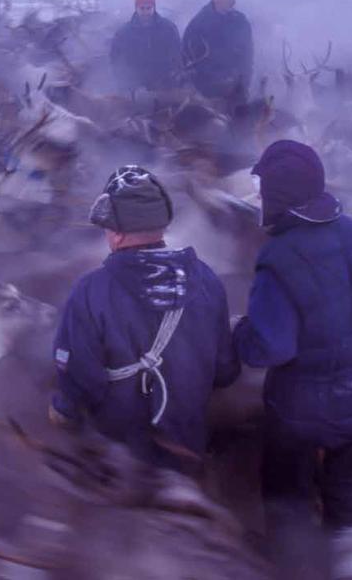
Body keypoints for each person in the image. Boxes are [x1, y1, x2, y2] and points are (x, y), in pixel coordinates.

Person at [234, 140, 352, 530]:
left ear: (278, 197)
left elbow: (270, 348)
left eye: (264, 192)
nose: (259, 199)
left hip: (304, 410)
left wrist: (240, 330)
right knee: (347, 487)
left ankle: (295, 565)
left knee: (288, 498)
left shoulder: (280, 257)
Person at [50, 165, 239, 468]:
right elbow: (225, 370)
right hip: (187, 441)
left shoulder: (91, 290)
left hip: (119, 451)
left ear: (117, 233)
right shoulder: (207, 279)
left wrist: (64, 410)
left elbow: (80, 377)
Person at [182, 0, 253, 102]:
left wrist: (244, 85)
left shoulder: (241, 22)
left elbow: (248, 58)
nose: (233, 1)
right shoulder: (198, 26)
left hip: (237, 91)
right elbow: (188, 62)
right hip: (207, 95)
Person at [110, 0, 182, 92]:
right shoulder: (124, 33)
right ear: (136, 8)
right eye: (142, 8)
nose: (145, 12)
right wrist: (127, 84)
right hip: (134, 88)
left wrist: (172, 77)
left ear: (154, 7)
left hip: (164, 86)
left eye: (148, 8)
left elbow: (177, 55)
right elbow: (115, 60)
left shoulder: (168, 29)